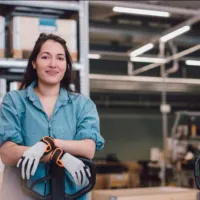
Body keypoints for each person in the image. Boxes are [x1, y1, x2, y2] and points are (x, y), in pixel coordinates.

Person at [0, 33, 105, 200]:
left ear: (66, 65)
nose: (53, 64)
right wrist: (58, 155)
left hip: (71, 195)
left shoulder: (83, 105)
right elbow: (7, 153)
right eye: (45, 57)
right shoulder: (13, 102)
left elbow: (87, 148)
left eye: (60, 58)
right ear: (34, 63)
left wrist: (49, 143)